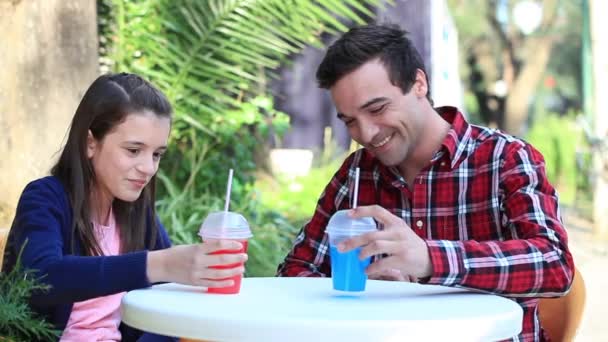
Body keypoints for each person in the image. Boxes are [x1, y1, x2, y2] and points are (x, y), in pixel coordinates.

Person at [277, 24, 574, 341]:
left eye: (377, 108)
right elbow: (295, 273)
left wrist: (432, 259)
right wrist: (365, 292)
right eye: (349, 120)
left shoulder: (506, 158)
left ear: (419, 84)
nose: (366, 134)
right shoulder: (356, 173)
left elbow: (554, 265)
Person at [2, 73, 248, 342]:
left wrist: (204, 271)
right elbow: (41, 279)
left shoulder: (137, 214)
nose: (148, 168)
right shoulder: (46, 198)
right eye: (133, 150)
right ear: (90, 143)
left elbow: (169, 307)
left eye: (156, 154)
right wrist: (157, 264)